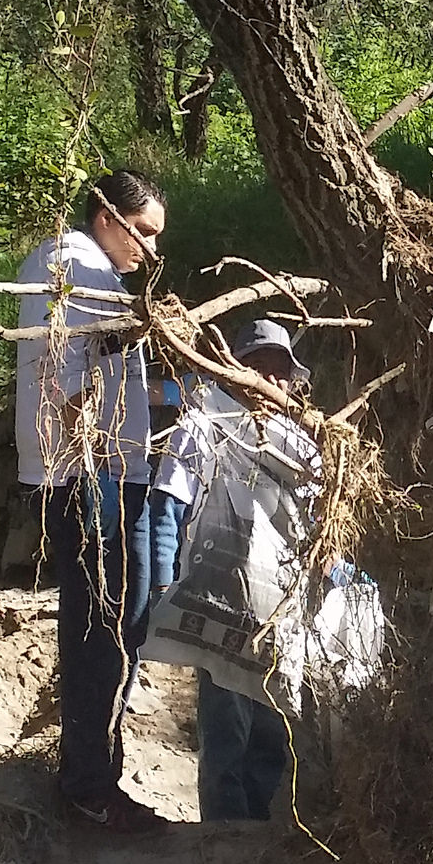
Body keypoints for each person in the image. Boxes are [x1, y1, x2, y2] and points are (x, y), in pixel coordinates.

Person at [15, 169, 169, 833]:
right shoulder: (69, 268)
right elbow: (61, 381)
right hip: (87, 474)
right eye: (143, 232)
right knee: (99, 628)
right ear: (106, 216)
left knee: (120, 619)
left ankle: (97, 772)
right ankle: (88, 786)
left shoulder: (97, 274)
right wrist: (104, 447)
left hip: (107, 470)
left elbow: (101, 360)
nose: (150, 251)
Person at [148, 319, 323, 821]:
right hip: (219, 599)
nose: (268, 381)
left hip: (282, 605)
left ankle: (259, 829)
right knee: (226, 720)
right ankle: (224, 834)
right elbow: (169, 505)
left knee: (273, 722)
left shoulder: (301, 439)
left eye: (278, 371)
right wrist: (161, 585)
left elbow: (322, 519)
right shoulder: (204, 426)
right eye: (256, 367)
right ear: (233, 372)